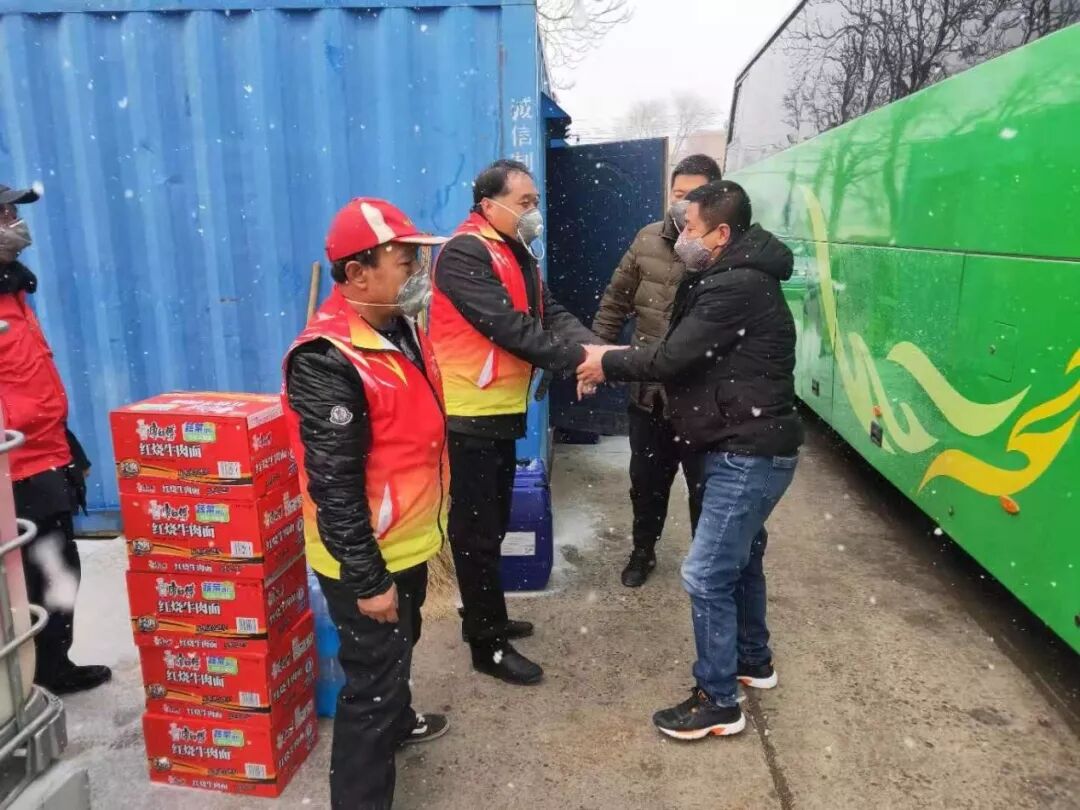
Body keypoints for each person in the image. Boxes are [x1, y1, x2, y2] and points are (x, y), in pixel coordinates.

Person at [577, 180, 803, 740]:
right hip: (748, 442)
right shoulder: (735, 273)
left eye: (693, 229)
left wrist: (605, 361)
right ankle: (753, 661)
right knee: (742, 559)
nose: (684, 238)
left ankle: (719, 700)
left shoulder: (736, 284)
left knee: (705, 573)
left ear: (721, 233)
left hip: (746, 451)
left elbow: (673, 357)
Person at [282, 198, 450, 809]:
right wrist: (369, 579)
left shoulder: (398, 327)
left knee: (402, 645)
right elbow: (333, 484)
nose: (418, 275)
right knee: (371, 686)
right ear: (357, 273)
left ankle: (399, 722)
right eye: (406, 262)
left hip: (409, 540)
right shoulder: (326, 359)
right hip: (367, 557)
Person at [428, 159, 598, 685]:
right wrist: (578, 360)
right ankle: (487, 645)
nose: (534, 212)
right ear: (488, 205)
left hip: (498, 410)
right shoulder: (464, 253)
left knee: (494, 521)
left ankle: (487, 616)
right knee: (477, 530)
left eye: (535, 202)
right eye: (524, 203)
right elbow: (508, 327)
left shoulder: (514, 250)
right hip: (467, 413)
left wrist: (596, 350)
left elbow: (549, 313)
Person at [0, 182, 110, 696]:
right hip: (14, 468)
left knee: (59, 569)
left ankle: (52, 667)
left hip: (48, 455)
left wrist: (68, 443)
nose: (15, 224)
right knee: (26, 580)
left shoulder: (14, 291)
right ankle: (23, 683)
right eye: (4, 215)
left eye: (12, 213)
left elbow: (30, 380)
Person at [592, 154, 722, 588]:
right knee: (646, 482)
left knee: (706, 487)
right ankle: (642, 550)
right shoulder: (648, 238)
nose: (684, 205)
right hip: (649, 394)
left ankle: (705, 563)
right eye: (678, 194)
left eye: (694, 196)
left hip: (704, 399)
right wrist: (595, 357)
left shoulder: (722, 247)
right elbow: (615, 302)